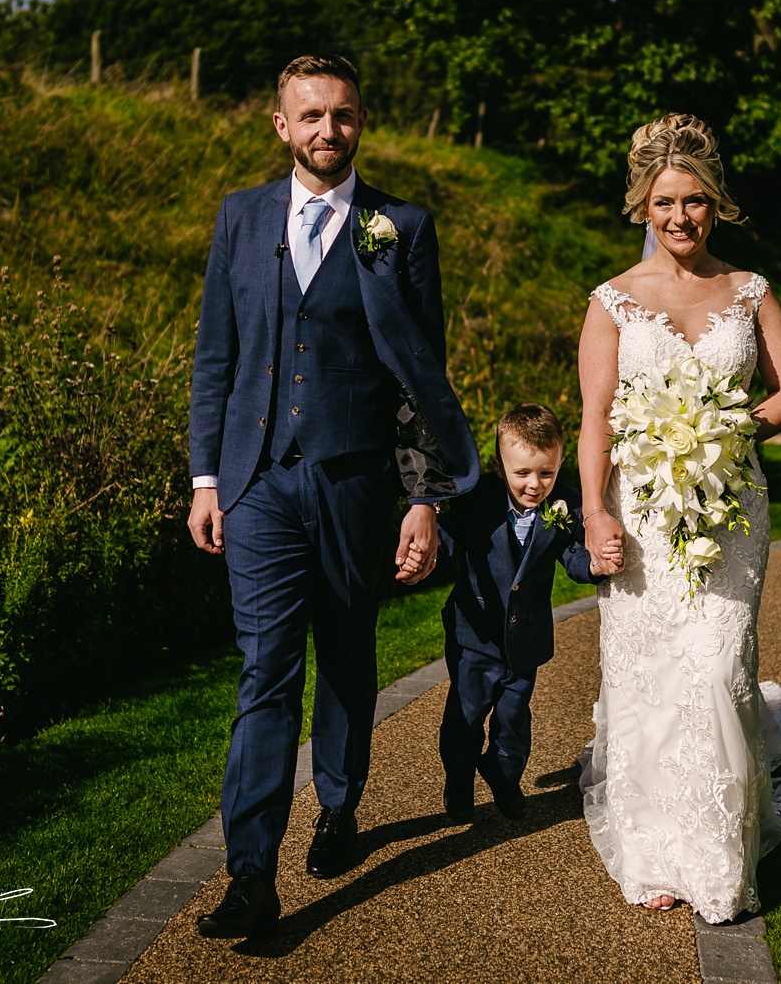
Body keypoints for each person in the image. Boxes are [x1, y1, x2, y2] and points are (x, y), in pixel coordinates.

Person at [186, 54, 482, 940]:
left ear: (362, 123)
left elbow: (421, 381)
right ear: (281, 125)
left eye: (342, 116)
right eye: (310, 115)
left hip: (358, 483)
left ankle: (342, 805)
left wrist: (423, 499)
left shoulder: (403, 226)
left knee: (348, 655)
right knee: (265, 674)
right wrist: (206, 479)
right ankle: (251, 875)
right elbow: (215, 358)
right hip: (258, 482)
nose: (327, 130)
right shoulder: (239, 218)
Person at [576, 113, 781, 923]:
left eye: (695, 202)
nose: (679, 217)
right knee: (650, 678)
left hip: (732, 509)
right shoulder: (612, 300)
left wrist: (734, 424)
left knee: (718, 668)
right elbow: (595, 418)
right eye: (664, 203)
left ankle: (720, 859)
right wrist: (591, 515)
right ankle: (652, 850)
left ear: (717, 205)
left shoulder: (751, 291)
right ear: (642, 208)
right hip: (642, 513)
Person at [437, 403, 601, 823]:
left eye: (546, 473)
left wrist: (595, 566)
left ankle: (503, 775)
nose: (535, 484)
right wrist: (426, 553)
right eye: (522, 473)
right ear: (499, 465)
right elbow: (448, 539)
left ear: (560, 463)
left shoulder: (567, 504)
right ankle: (458, 783)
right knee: (466, 717)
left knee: (513, 721)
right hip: (475, 634)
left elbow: (573, 556)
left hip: (525, 638)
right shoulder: (478, 500)